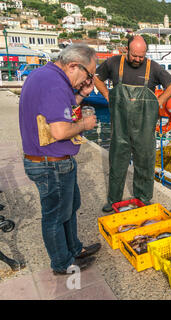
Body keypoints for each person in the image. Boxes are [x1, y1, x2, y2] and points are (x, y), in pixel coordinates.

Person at [19, 44, 101, 275]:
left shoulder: (45, 75)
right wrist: (85, 124)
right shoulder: (55, 85)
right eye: (88, 74)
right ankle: (62, 263)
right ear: (74, 65)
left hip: (52, 160)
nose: (88, 79)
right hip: (50, 163)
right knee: (55, 215)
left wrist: (81, 95)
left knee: (70, 207)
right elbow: (59, 131)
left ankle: (73, 249)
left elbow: (57, 111)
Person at [94, 35, 171, 213]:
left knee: (145, 162)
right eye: (134, 55)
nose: (138, 59)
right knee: (117, 162)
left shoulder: (152, 67)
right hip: (120, 125)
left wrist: (159, 101)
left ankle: (143, 198)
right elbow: (97, 78)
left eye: (141, 56)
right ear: (127, 50)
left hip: (145, 126)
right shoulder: (113, 63)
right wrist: (107, 95)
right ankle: (113, 200)